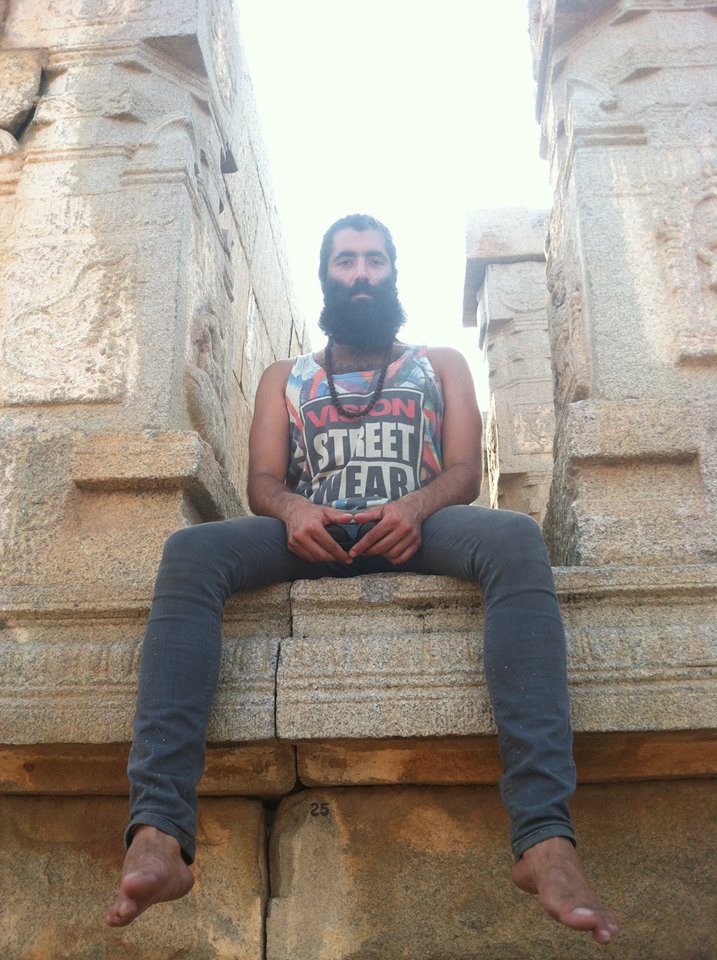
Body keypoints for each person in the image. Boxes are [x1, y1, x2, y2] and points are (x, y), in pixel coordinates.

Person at [106, 214, 619, 943]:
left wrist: (414, 506)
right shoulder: (287, 378)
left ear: (391, 274)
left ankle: (545, 839)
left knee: (513, 537)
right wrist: (292, 511)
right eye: (345, 261)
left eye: (374, 261)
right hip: (312, 534)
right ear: (326, 277)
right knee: (190, 554)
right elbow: (261, 480)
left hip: (416, 527)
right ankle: (158, 832)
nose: (360, 274)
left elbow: (465, 472)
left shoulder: (438, 363)